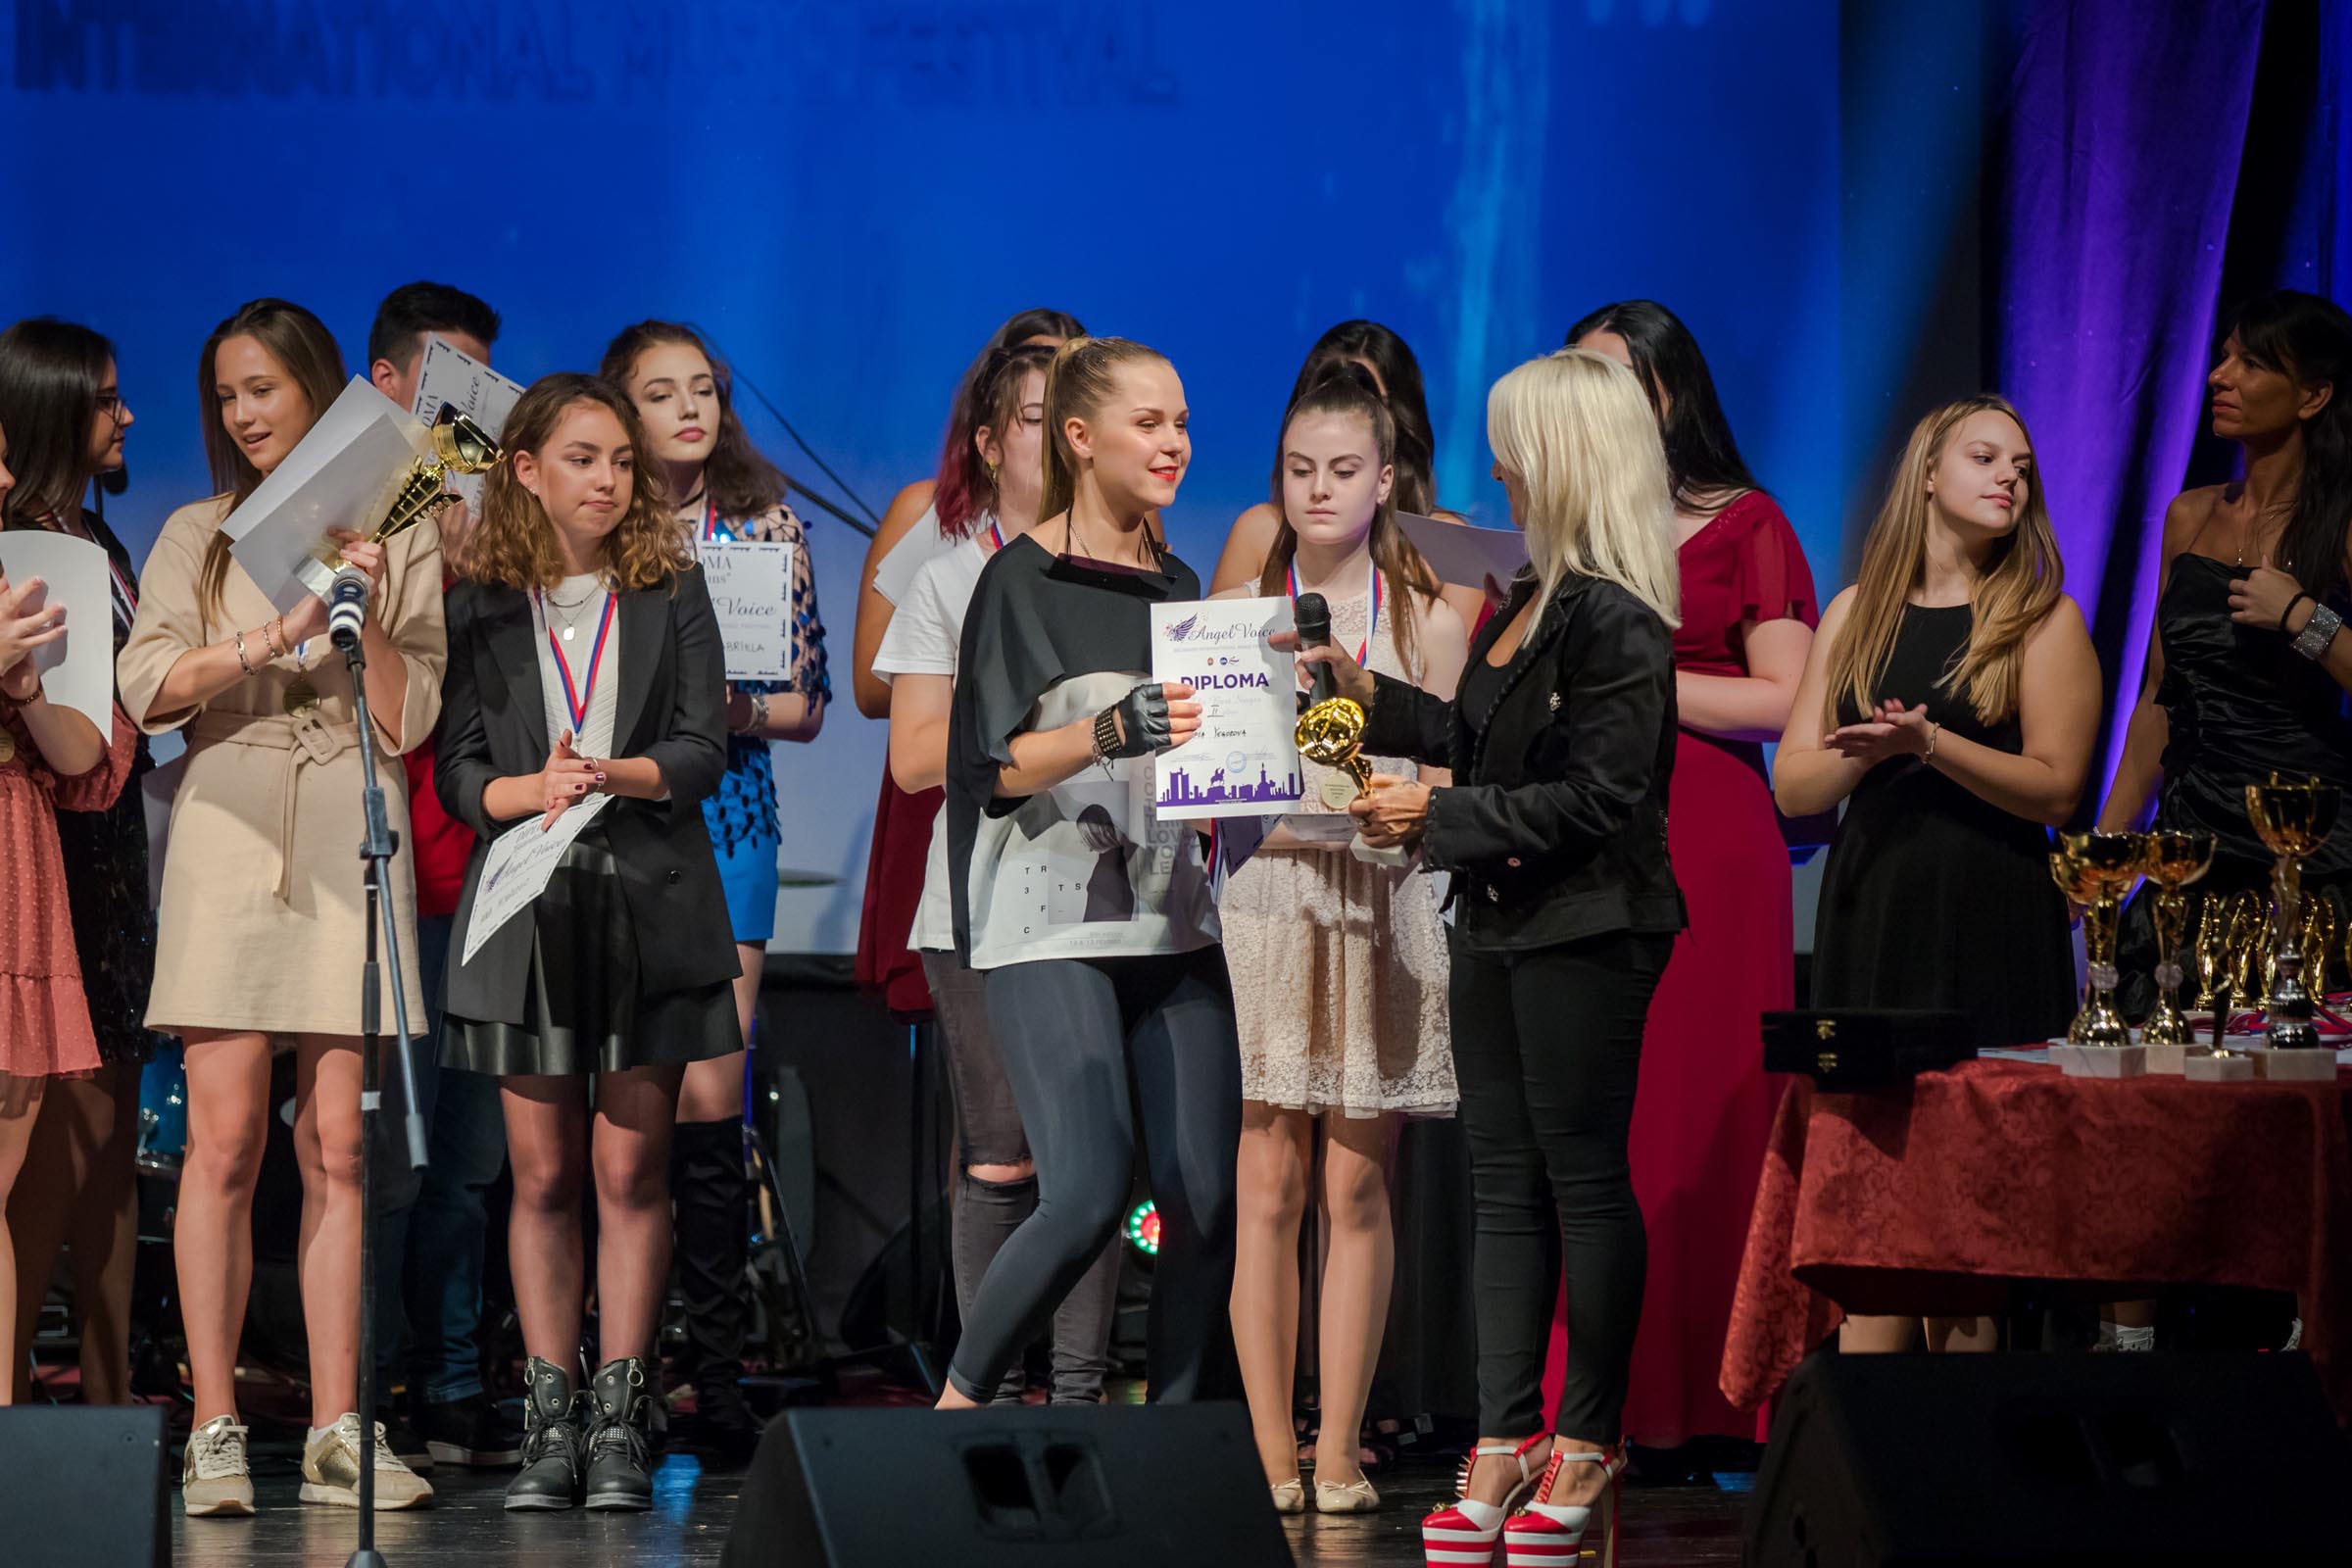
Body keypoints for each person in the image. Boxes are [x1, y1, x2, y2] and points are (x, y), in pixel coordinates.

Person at [1289, 348, 1684, 1568]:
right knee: (1503, 1185)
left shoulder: (1617, 619)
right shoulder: (1528, 601)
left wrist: (1437, 814)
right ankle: (1506, 1440)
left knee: (1582, 1177)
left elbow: (1601, 797)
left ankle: (1589, 1442)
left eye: (1515, 451)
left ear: (1565, 460)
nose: (1499, 471)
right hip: (1501, 920)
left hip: (1590, 925)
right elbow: (1475, 738)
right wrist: (1366, 695)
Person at [119, 299, 443, 1514]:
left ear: (318, 387)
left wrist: (364, 607)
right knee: (226, 1139)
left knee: (341, 1145)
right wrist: (276, 632)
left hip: (353, 812)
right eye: (228, 394)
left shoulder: (402, 525)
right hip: (229, 824)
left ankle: (337, 1427)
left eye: (263, 387)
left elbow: (411, 715)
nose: (245, 413)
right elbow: (149, 684)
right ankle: (213, 1422)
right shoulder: (196, 532)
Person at [436, 372, 740, 1511]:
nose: (609, 480)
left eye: (620, 460)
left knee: (629, 1169)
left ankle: (620, 1421)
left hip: (649, 896)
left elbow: (704, 748)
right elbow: (460, 769)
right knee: (544, 1173)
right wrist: (532, 789)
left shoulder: (669, 585)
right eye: (583, 458)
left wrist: (616, 773)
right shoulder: (482, 602)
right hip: (528, 904)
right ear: (525, 469)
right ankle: (548, 1420)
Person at [938, 335, 1239, 1407]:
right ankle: (957, 1409)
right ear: (1079, 437)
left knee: (1206, 1200)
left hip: (1171, 914)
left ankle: (1167, 1448)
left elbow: (1200, 763)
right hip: (1049, 921)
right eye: (1148, 423)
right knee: (1086, 1192)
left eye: (1182, 423)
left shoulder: (1182, 586)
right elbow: (989, 767)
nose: (1174, 443)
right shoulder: (1020, 581)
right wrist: (1109, 729)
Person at [1775, 394, 2097, 1355]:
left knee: (1971, 1216)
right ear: (1926, 474)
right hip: (1876, 912)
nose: (2010, 478)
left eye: (2022, 467)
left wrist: (1931, 744)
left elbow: (2058, 788)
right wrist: (1871, 754)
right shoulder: (1854, 615)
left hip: (1988, 914)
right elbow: (1796, 786)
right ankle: (1871, 1439)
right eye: (1986, 457)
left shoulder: (2040, 619)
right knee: (1874, 1211)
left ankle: (1965, 1438)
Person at [1568, 299, 1817, 1451]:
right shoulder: (1575, 528)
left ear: (1669, 393)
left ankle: (1723, 1395)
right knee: (1603, 1117)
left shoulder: (1747, 522)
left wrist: (1636, 681)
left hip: (1708, 833)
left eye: (1615, 378)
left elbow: (1783, 698)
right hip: (1589, 825)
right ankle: (1601, 1406)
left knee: (1705, 1107)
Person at [1217, 365, 1465, 1516]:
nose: (1319, 489)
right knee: (1268, 1178)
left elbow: (1457, 770)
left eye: (1344, 469)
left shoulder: (1427, 615)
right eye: (1300, 469)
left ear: (1386, 480)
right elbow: (1198, 767)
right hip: (1270, 896)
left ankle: (1340, 1451)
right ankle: (1272, 1451)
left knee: (1357, 1183)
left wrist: (1404, 803)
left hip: (1379, 897)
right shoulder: (1239, 606)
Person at [2094, 292, 2352, 1355]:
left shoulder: (2343, 520)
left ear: (2315, 394)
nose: (2221, 377)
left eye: (2250, 364)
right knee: (2150, 1103)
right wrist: (2109, 850)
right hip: (2194, 841)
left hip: (2308, 854)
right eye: (2225, 358)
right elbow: (2160, 698)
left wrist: (2305, 617)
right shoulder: (2191, 514)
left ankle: (2309, 1358)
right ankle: (2128, 1360)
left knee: (2296, 1118)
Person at [872, 341, 1121, 1405]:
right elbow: (914, 757)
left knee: (1089, 1166)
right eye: (1033, 418)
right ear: (988, 441)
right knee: (1001, 1158)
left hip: (1106, 893)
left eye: (1072, 418)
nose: (1057, 438)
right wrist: (1060, 742)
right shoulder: (951, 576)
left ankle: (1081, 1399)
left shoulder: (1131, 567)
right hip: (980, 895)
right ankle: (988, 1408)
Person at [604, 318, 829, 1450]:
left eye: (703, 389)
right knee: (627, 1109)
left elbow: (810, 702)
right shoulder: (595, 526)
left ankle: (720, 1375)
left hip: (728, 816)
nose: (689, 408)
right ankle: (625, 1375)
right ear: (620, 409)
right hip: (618, 825)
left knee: (711, 1102)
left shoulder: (764, 525)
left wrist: (735, 707)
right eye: (662, 392)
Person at [359, 280, 521, 1470]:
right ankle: (363, 1384)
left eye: (484, 384)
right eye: (447, 379)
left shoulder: (503, 521)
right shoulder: (357, 509)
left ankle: (456, 1379)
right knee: (387, 1163)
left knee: (469, 1161)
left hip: (488, 873)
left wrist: (489, 556)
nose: (469, 407)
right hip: (388, 868)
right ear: (389, 384)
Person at [0, 319, 161, 1409]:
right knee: (48, 1150)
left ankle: (110, 1417)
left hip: (104, 850)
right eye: (104, 398)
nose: (126, 415)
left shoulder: (94, 544)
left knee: (106, 1147)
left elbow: (108, 726)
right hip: (39, 849)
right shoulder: (21, 547)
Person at [853, 311, 1086, 1034]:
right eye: (1037, 414)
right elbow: (872, 689)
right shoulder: (932, 526)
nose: (1058, 436)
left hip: (1083, 820)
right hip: (958, 790)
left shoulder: (1127, 543)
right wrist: (1003, 714)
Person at [1211, 320, 1485, 630]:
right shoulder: (1260, 530)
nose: (1341, 413)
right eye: (1328, 396)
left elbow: (1455, 658)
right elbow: (1215, 650)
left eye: (1364, 397)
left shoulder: (1451, 546)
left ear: (1400, 415)